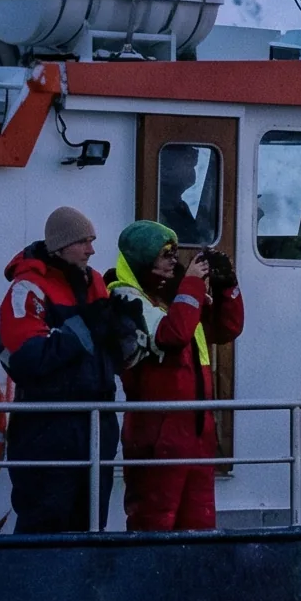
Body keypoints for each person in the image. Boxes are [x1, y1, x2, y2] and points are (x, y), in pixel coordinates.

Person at [107, 220, 244, 532]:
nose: (174, 259)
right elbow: (172, 335)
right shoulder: (125, 300)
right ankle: (151, 580)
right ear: (143, 257)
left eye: (174, 252)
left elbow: (226, 329)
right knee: (154, 521)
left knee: (199, 523)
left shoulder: (176, 298)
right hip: (157, 432)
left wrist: (227, 286)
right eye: (165, 253)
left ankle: (194, 581)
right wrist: (193, 286)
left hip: (196, 429)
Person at [0, 207, 123, 532]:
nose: (91, 250)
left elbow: (111, 354)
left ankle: (86, 584)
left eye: (92, 241)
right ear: (61, 245)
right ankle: (34, 582)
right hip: (48, 426)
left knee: (93, 524)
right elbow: (27, 358)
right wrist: (88, 327)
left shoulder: (95, 282)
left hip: (97, 424)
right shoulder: (28, 289)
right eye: (84, 241)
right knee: (44, 524)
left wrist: (124, 330)